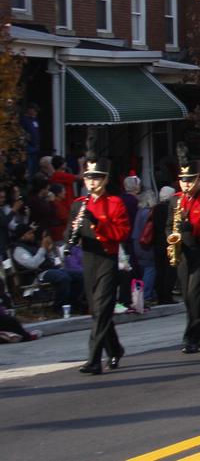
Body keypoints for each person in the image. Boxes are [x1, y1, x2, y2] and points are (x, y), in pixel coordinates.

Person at [65, 150, 130, 375]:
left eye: (97, 178)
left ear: (105, 180)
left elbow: (121, 233)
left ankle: (93, 359)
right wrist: (69, 240)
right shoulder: (78, 204)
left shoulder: (115, 203)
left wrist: (97, 224)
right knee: (97, 312)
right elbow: (69, 231)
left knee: (103, 309)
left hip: (107, 259)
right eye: (89, 177)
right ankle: (115, 349)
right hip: (88, 260)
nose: (92, 182)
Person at [168, 145, 200, 354]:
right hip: (182, 252)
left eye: (190, 180)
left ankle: (191, 336)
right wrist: (170, 240)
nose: (186, 184)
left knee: (194, 293)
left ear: (198, 179)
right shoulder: (175, 200)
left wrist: (194, 227)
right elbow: (167, 225)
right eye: (183, 180)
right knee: (187, 295)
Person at [11, 224, 83, 312]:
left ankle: (73, 304)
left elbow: (51, 260)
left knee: (80, 275)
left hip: (51, 269)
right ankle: (59, 306)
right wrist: (43, 248)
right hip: (37, 275)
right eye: (29, 234)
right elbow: (32, 264)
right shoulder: (19, 250)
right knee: (63, 278)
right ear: (22, 236)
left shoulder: (35, 244)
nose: (32, 235)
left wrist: (49, 250)